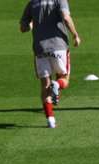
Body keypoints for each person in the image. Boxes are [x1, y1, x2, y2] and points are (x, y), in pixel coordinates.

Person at [20, 0, 81, 129]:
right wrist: (75, 35)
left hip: (40, 48)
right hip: (59, 46)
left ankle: (50, 120)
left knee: (45, 86)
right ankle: (57, 85)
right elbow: (66, 17)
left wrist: (33, 23)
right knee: (64, 79)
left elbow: (23, 28)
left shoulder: (32, 3)